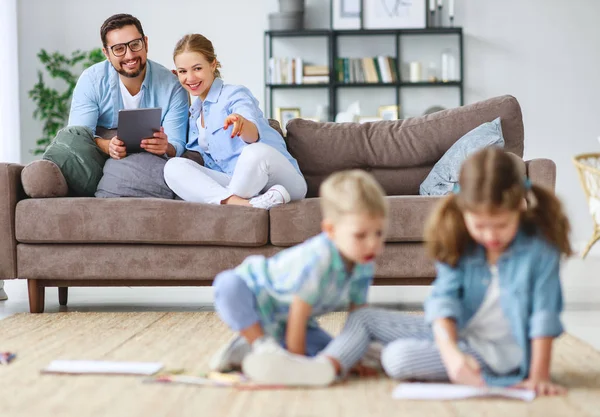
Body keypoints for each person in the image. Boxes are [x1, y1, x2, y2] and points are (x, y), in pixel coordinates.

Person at [275, 147, 572, 396]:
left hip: (497, 356)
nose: (490, 235)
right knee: (363, 317)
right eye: (480, 225)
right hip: (460, 336)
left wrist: (539, 376)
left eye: (502, 225)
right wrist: (452, 355)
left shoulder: (539, 250)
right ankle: (321, 368)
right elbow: (443, 302)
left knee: (398, 357)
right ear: (463, 211)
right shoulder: (460, 239)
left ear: (520, 206)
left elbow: (544, 316)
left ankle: (360, 354)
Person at [209, 170, 389, 386]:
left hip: (288, 322)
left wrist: (354, 355)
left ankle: (244, 352)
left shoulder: (363, 262)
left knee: (331, 353)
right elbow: (298, 312)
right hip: (258, 299)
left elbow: (359, 317)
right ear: (331, 230)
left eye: (378, 233)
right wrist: (297, 362)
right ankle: (260, 345)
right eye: (361, 235)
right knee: (228, 284)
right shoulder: (320, 258)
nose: (372, 244)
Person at [163, 34, 306, 209]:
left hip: (282, 180)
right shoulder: (194, 114)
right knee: (173, 167)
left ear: (212, 64)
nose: (190, 78)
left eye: (197, 68)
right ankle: (247, 204)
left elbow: (252, 135)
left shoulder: (235, 94)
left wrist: (241, 123)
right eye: (183, 71)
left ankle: (233, 204)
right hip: (238, 181)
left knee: (254, 152)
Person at [71, 13, 188, 160]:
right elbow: (77, 136)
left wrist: (166, 146)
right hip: (96, 157)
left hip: (149, 161)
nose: (129, 56)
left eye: (135, 45)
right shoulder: (91, 80)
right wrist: (107, 145)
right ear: (106, 53)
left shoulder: (173, 87)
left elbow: (177, 144)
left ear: (145, 43)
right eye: (119, 49)